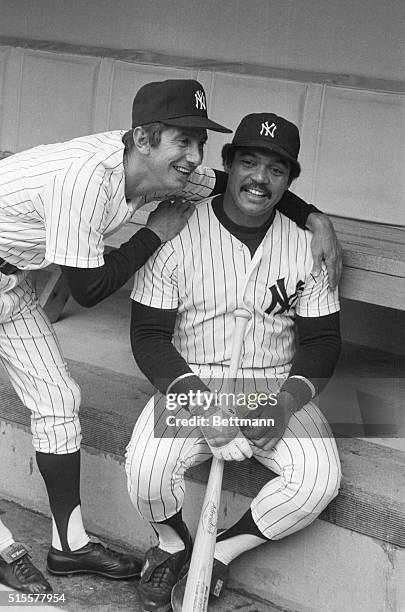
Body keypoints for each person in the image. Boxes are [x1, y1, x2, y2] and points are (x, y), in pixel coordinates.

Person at [0, 79, 338, 594]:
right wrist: (154, 234)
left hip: (10, 280)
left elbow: (248, 181)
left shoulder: (176, 170)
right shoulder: (83, 180)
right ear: (143, 139)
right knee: (142, 466)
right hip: (181, 373)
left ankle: (73, 547)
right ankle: (10, 548)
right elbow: (89, 291)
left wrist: (316, 218)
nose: (194, 156)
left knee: (59, 400)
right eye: (184, 140)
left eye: (199, 142)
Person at [125, 111, 342, 612]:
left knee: (318, 481)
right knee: (145, 473)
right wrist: (202, 409)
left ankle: (221, 550)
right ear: (227, 164)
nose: (260, 179)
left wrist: (286, 404)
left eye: (276, 169)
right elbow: (149, 337)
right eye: (248, 161)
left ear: (289, 181)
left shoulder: (308, 246)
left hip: (271, 384)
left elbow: (324, 342)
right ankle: (172, 542)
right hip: (191, 380)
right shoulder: (176, 227)